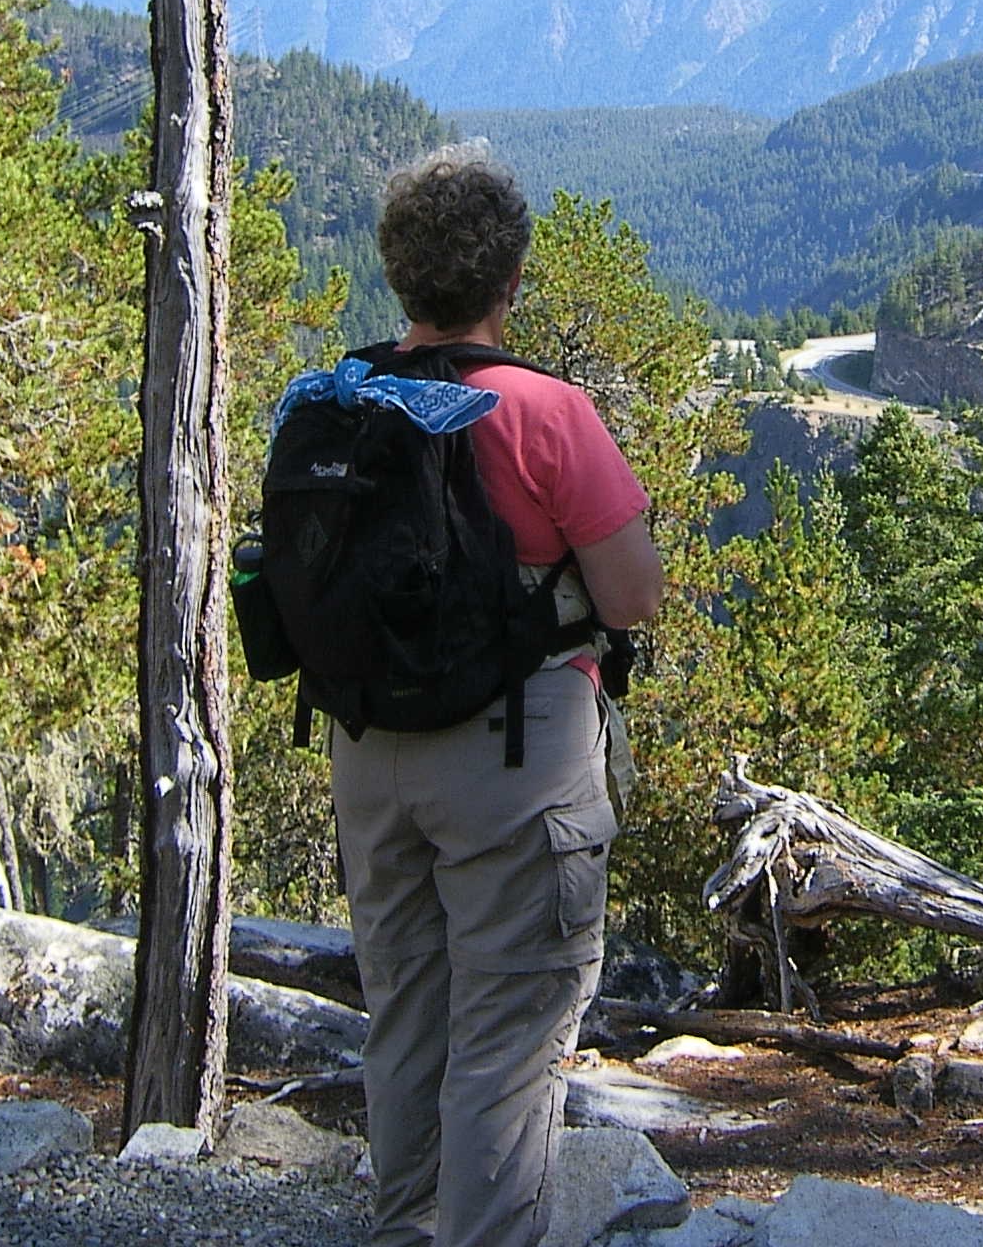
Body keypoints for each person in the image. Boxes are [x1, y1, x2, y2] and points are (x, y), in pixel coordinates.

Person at [335, 144, 664, 1247]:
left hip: (370, 752)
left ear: (401, 277)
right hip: (515, 755)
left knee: (407, 1015)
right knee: (510, 1036)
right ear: (510, 279)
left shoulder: (339, 399)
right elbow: (632, 597)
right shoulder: (542, 413)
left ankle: (404, 1230)